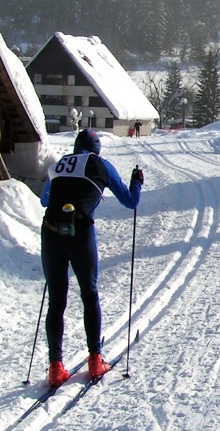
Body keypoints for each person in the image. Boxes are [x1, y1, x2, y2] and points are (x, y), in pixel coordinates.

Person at [40, 128, 143, 388]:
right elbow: (130, 201)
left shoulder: (59, 165)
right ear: (96, 148)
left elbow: (44, 200)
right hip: (81, 233)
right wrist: (136, 181)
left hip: (50, 232)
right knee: (89, 294)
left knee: (56, 302)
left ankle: (55, 368)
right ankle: (95, 360)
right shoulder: (100, 164)